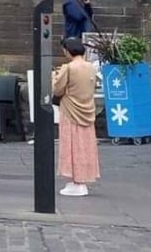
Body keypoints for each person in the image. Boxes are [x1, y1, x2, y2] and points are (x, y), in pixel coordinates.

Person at [52, 36, 100, 196]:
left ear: (67, 50)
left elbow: (58, 89)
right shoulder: (91, 67)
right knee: (86, 145)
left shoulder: (68, 68)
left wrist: (54, 77)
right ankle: (84, 179)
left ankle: (74, 180)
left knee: (71, 144)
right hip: (87, 108)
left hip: (71, 110)